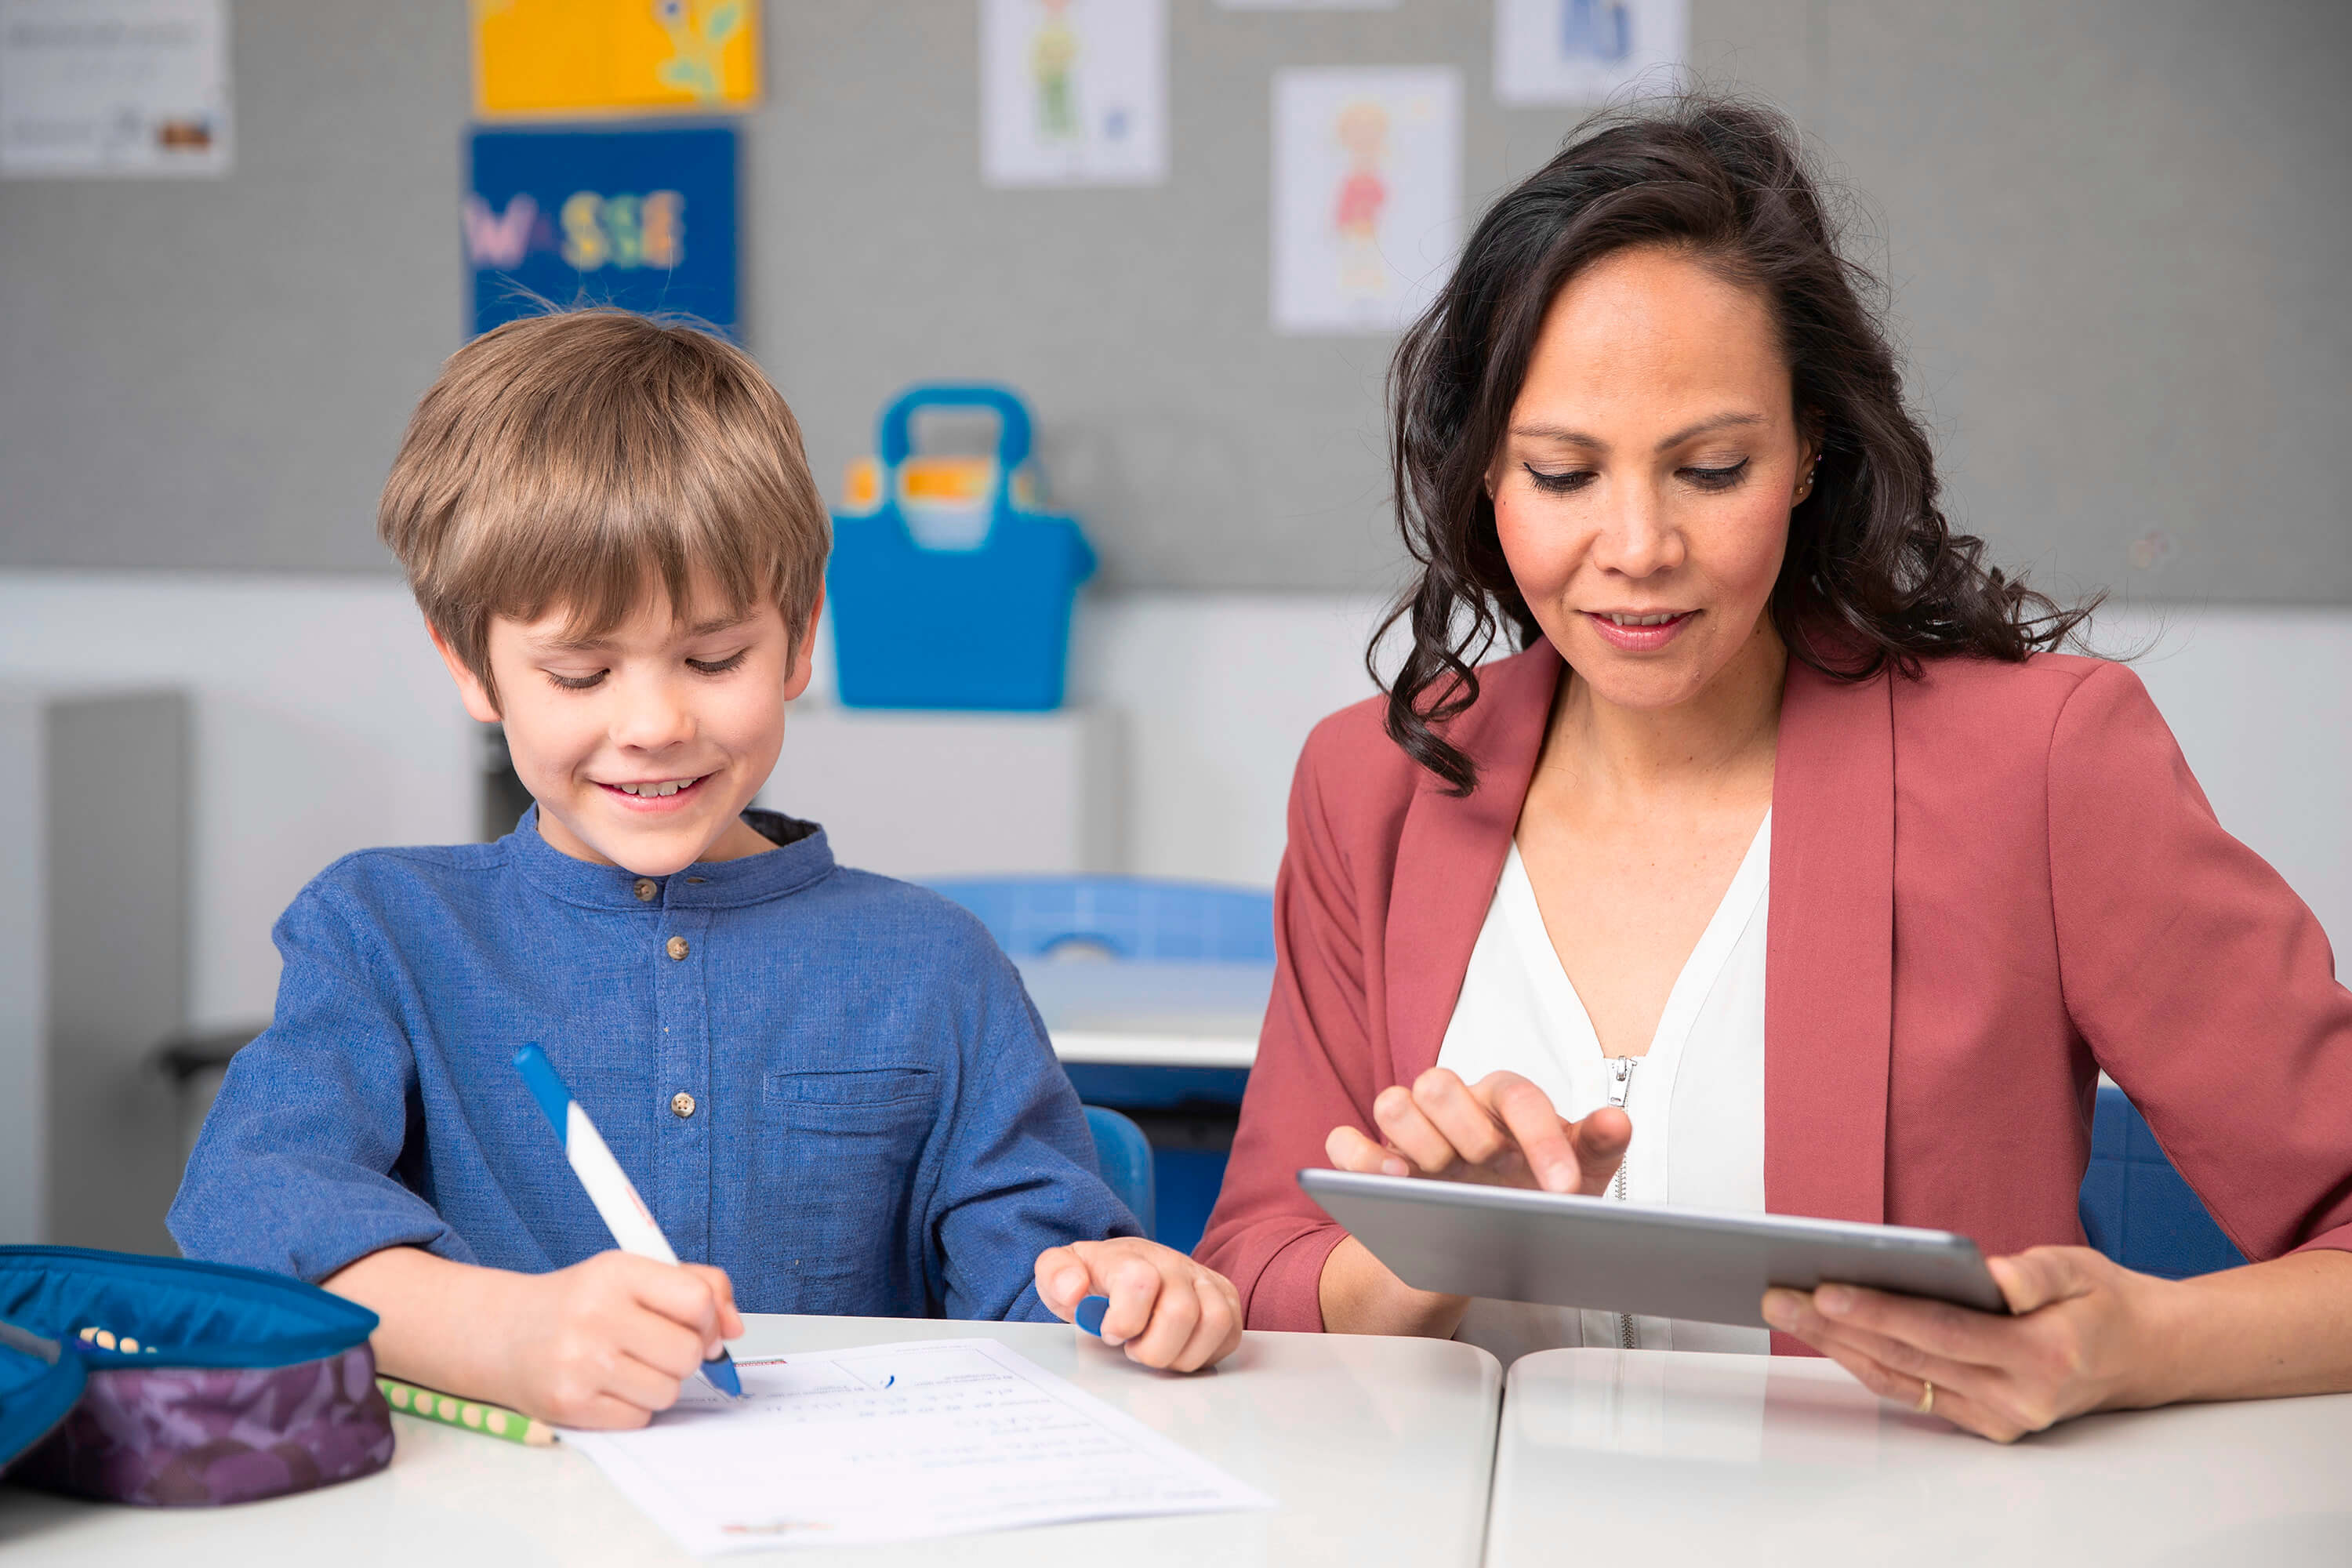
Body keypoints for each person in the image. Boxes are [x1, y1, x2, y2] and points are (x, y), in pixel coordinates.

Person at [1194, 95, 2352, 1442]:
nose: (1636, 545)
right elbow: (1256, 1258)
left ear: (1810, 451)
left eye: (1712, 467)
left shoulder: (2043, 766)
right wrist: (1423, 1259)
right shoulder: (1380, 782)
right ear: (1484, 476)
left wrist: (2135, 1342)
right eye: (1563, 475)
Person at [171, 310, 1241, 1428]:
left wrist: (1126, 1295)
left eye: (714, 657)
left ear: (801, 637)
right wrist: (504, 1337)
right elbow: (251, 1206)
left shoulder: (933, 965)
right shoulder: (383, 931)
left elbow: (1036, 1279)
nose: (654, 722)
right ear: (471, 667)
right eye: (580, 674)